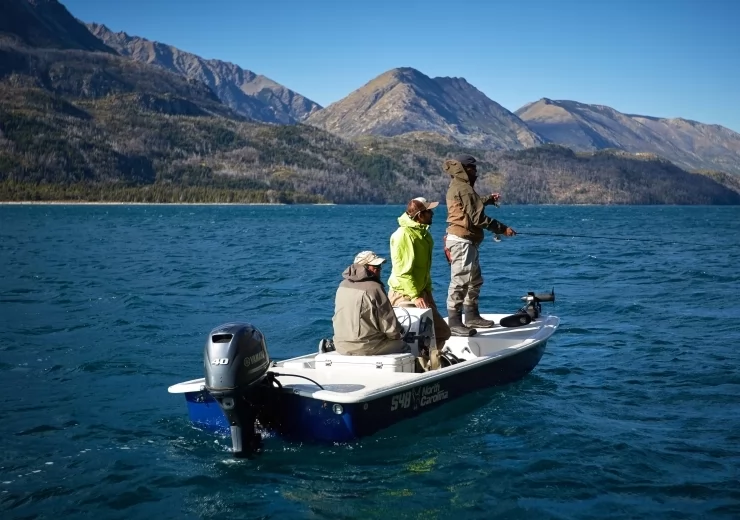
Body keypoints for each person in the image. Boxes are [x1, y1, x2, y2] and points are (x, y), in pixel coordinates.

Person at [443, 154, 516, 335]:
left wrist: (487, 200)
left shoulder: (460, 186)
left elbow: (470, 206)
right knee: (460, 282)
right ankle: (454, 322)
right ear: (466, 169)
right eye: (474, 168)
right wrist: (502, 229)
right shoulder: (464, 188)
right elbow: (477, 217)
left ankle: (472, 316)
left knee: (474, 280)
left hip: (468, 241)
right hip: (461, 241)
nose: (476, 171)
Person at [388, 197, 451, 370]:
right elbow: (403, 272)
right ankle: (414, 368)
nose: (433, 213)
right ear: (419, 215)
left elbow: (424, 269)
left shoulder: (424, 234)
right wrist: (415, 296)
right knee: (411, 338)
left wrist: (427, 292)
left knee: (442, 332)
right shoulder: (403, 236)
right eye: (429, 211)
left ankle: (428, 365)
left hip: (421, 292)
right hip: (404, 293)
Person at [332, 250, 409, 356]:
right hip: (366, 347)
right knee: (404, 345)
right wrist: (399, 334)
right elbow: (391, 328)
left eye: (380, 267)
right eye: (376, 267)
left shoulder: (342, 285)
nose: (380, 270)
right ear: (363, 268)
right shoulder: (375, 288)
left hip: (340, 345)